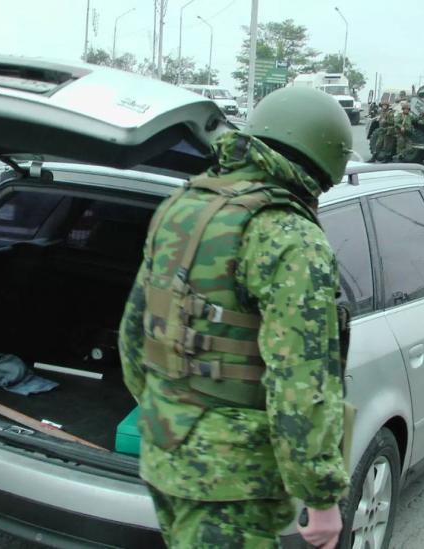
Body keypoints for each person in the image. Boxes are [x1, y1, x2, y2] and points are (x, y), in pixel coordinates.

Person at [118, 86, 351, 549]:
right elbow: (301, 385)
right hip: (233, 483)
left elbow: (135, 336)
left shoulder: (183, 204)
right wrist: (321, 496)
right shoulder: (290, 236)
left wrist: (171, 410)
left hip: (164, 451)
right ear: (327, 159)